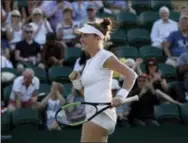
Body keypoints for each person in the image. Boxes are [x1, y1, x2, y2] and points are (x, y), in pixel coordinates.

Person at [70, 18, 138, 142]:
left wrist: (120, 96)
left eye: (85, 35)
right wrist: (77, 82)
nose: (81, 39)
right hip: (94, 114)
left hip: (101, 114)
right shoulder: (89, 61)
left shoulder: (105, 56)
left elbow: (131, 75)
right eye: (81, 36)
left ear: (97, 37)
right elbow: (86, 94)